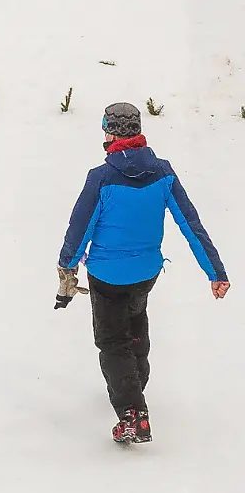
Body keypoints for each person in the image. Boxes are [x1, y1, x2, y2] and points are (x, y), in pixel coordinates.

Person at [55, 102, 229, 444]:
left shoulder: (101, 177)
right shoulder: (163, 172)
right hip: (146, 273)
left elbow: (79, 230)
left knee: (112, 341)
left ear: (108, 132)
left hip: (106, 276)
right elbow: (191, 225)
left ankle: (133, 413)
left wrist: (67, 266)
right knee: (135, 325)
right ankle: (133, 383)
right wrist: (215, 271)